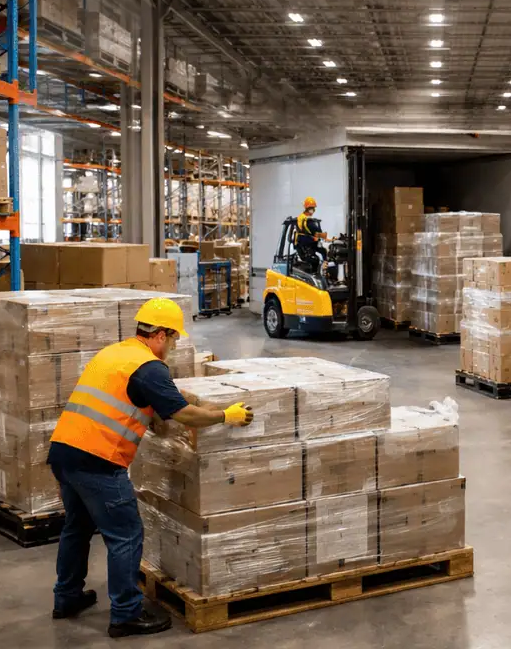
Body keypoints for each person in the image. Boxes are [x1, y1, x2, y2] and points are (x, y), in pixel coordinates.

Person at [47, 298, 255, 638]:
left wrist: (193, 397)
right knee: (126, 534)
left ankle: (66, 597)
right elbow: (181, 415)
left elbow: (159, 393)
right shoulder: (149, 366)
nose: (172, 346)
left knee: (78, 527)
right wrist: (223, 416)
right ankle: (126, 614)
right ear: (159, 334)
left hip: (64, 453)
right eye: (172, 338)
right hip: (98, 460)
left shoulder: (116, 353)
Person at [295, 195, 327, 268]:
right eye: (312, 208)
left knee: (323, 251)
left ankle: (324, 269)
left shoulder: (302, 217)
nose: (313, 210)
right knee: (317, 258)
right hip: (306, 244)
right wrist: (325, 237)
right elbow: (316, 230)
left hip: (305, 242)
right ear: (308, 208)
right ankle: (322, 271)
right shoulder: (306, 220)